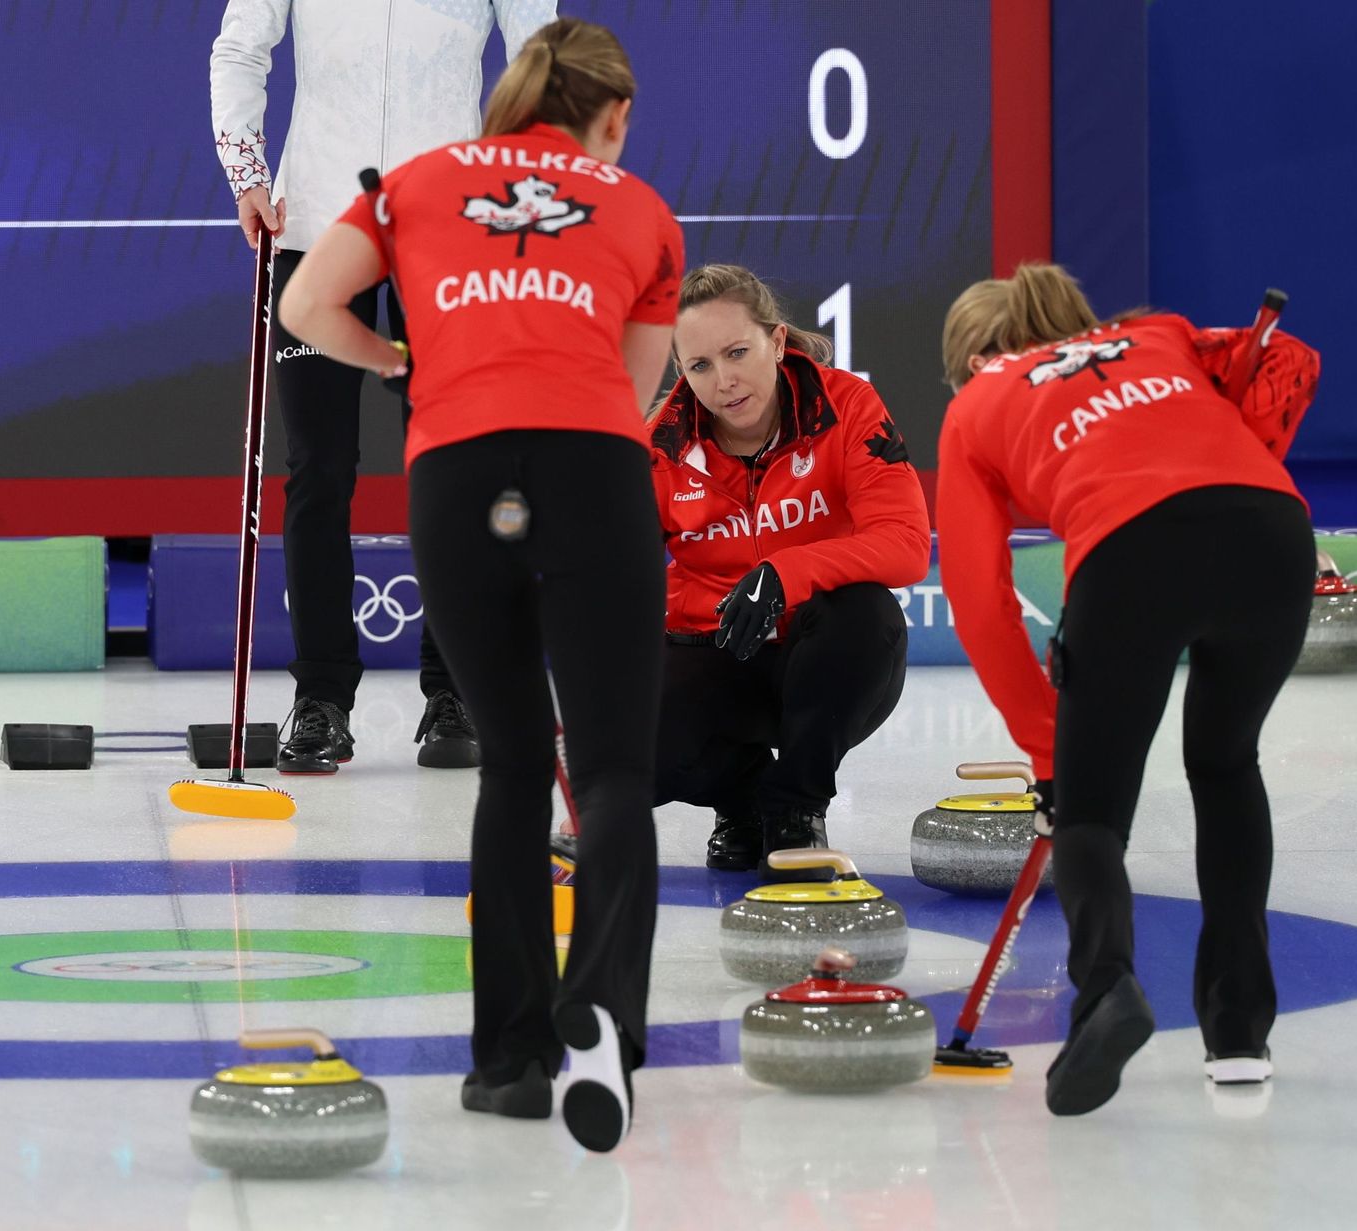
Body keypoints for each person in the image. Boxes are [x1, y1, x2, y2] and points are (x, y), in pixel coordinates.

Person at [277, 17, 682, 1153]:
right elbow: (639, 387)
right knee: (607, 770)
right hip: (593, 466)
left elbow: (307, 307)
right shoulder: (642, 210)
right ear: (614, 117)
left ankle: (507, 1060)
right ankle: (601, 1012)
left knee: (511, 762)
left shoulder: (413, 184)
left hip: (456, 472)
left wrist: (403, 360)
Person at [936, 264, 1321, 1115]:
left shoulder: (976, 405)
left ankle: (1106, 988)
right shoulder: (1159, 333)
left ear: (979, 356)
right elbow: (1288, 358)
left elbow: (976, 595)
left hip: (1131, 550)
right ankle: (1239, 1035)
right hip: (1271, 532)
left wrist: (1048, 747)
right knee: (1225, 766)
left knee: (1091, 815)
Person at [211, 0, 557, 773]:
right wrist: (247, 174)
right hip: (315, 222)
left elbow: (540, 51)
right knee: (318, 468)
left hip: (449, 224)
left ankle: (454, 689)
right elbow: (239, 48)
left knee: (456, 465)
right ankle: (322, 700)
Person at [649, 265, 932, 879]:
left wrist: (787, 572)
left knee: (865, 611)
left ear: (777, 342)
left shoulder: (847, 406)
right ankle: (742, 804)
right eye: (699, 366)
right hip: (716, 653)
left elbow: (908, 545)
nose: (724, 381)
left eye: (737, 352)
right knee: (638, 728)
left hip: (828, 661)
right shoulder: (659, 449)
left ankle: (797, 810)